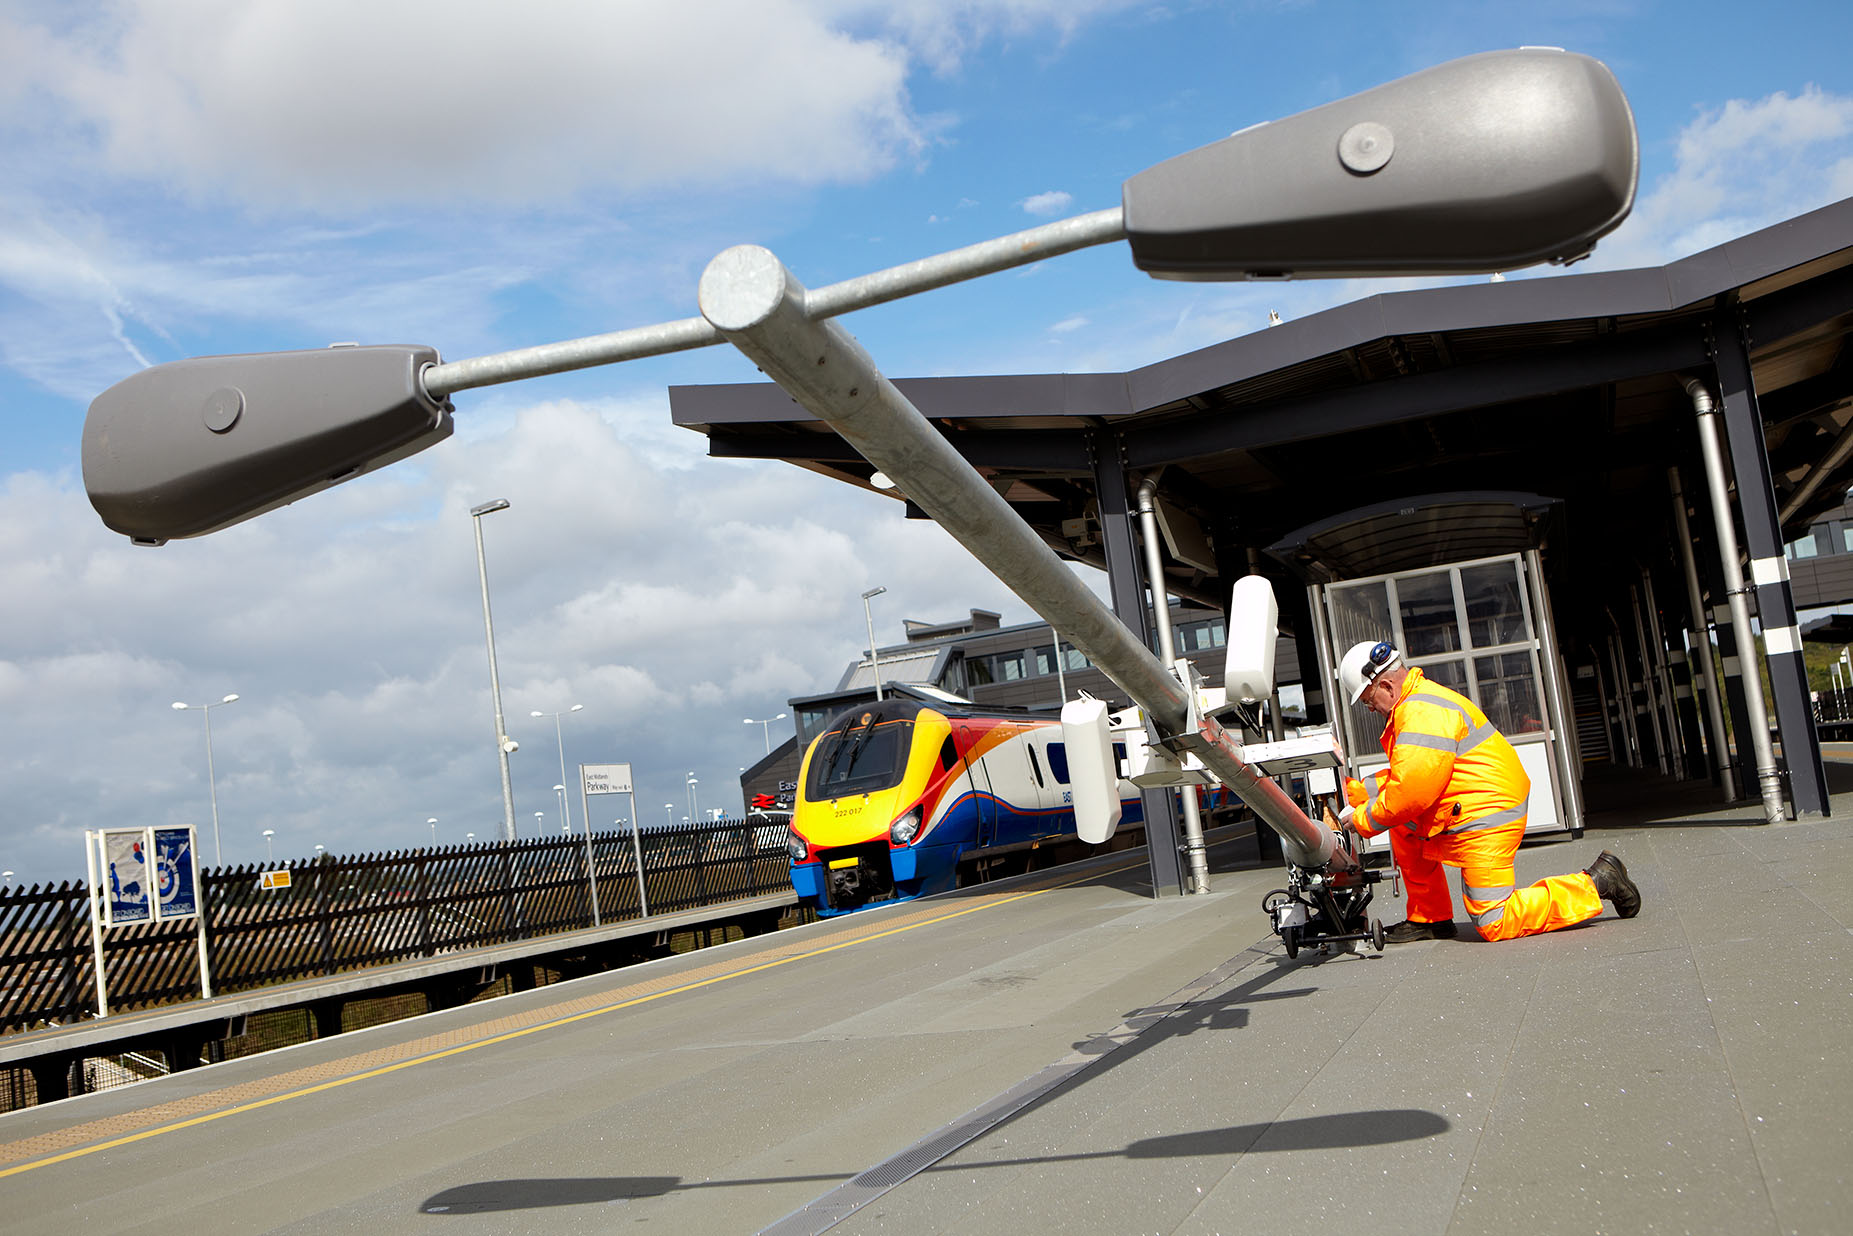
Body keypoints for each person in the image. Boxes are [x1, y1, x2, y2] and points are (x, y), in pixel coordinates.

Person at [1337, 639, 1640, 943]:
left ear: (1387, 686)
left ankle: (1598, 883)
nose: (1371, 708)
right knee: (1404, 824)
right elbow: (1408, 775)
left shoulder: (1421, 713)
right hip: (1475, 806)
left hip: (1486, 815)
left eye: (1368, 700)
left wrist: (1364, 820)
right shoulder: (1418, 703)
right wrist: (1354, 792)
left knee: (1494, 920)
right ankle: (1430, 918)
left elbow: (1412, 792)